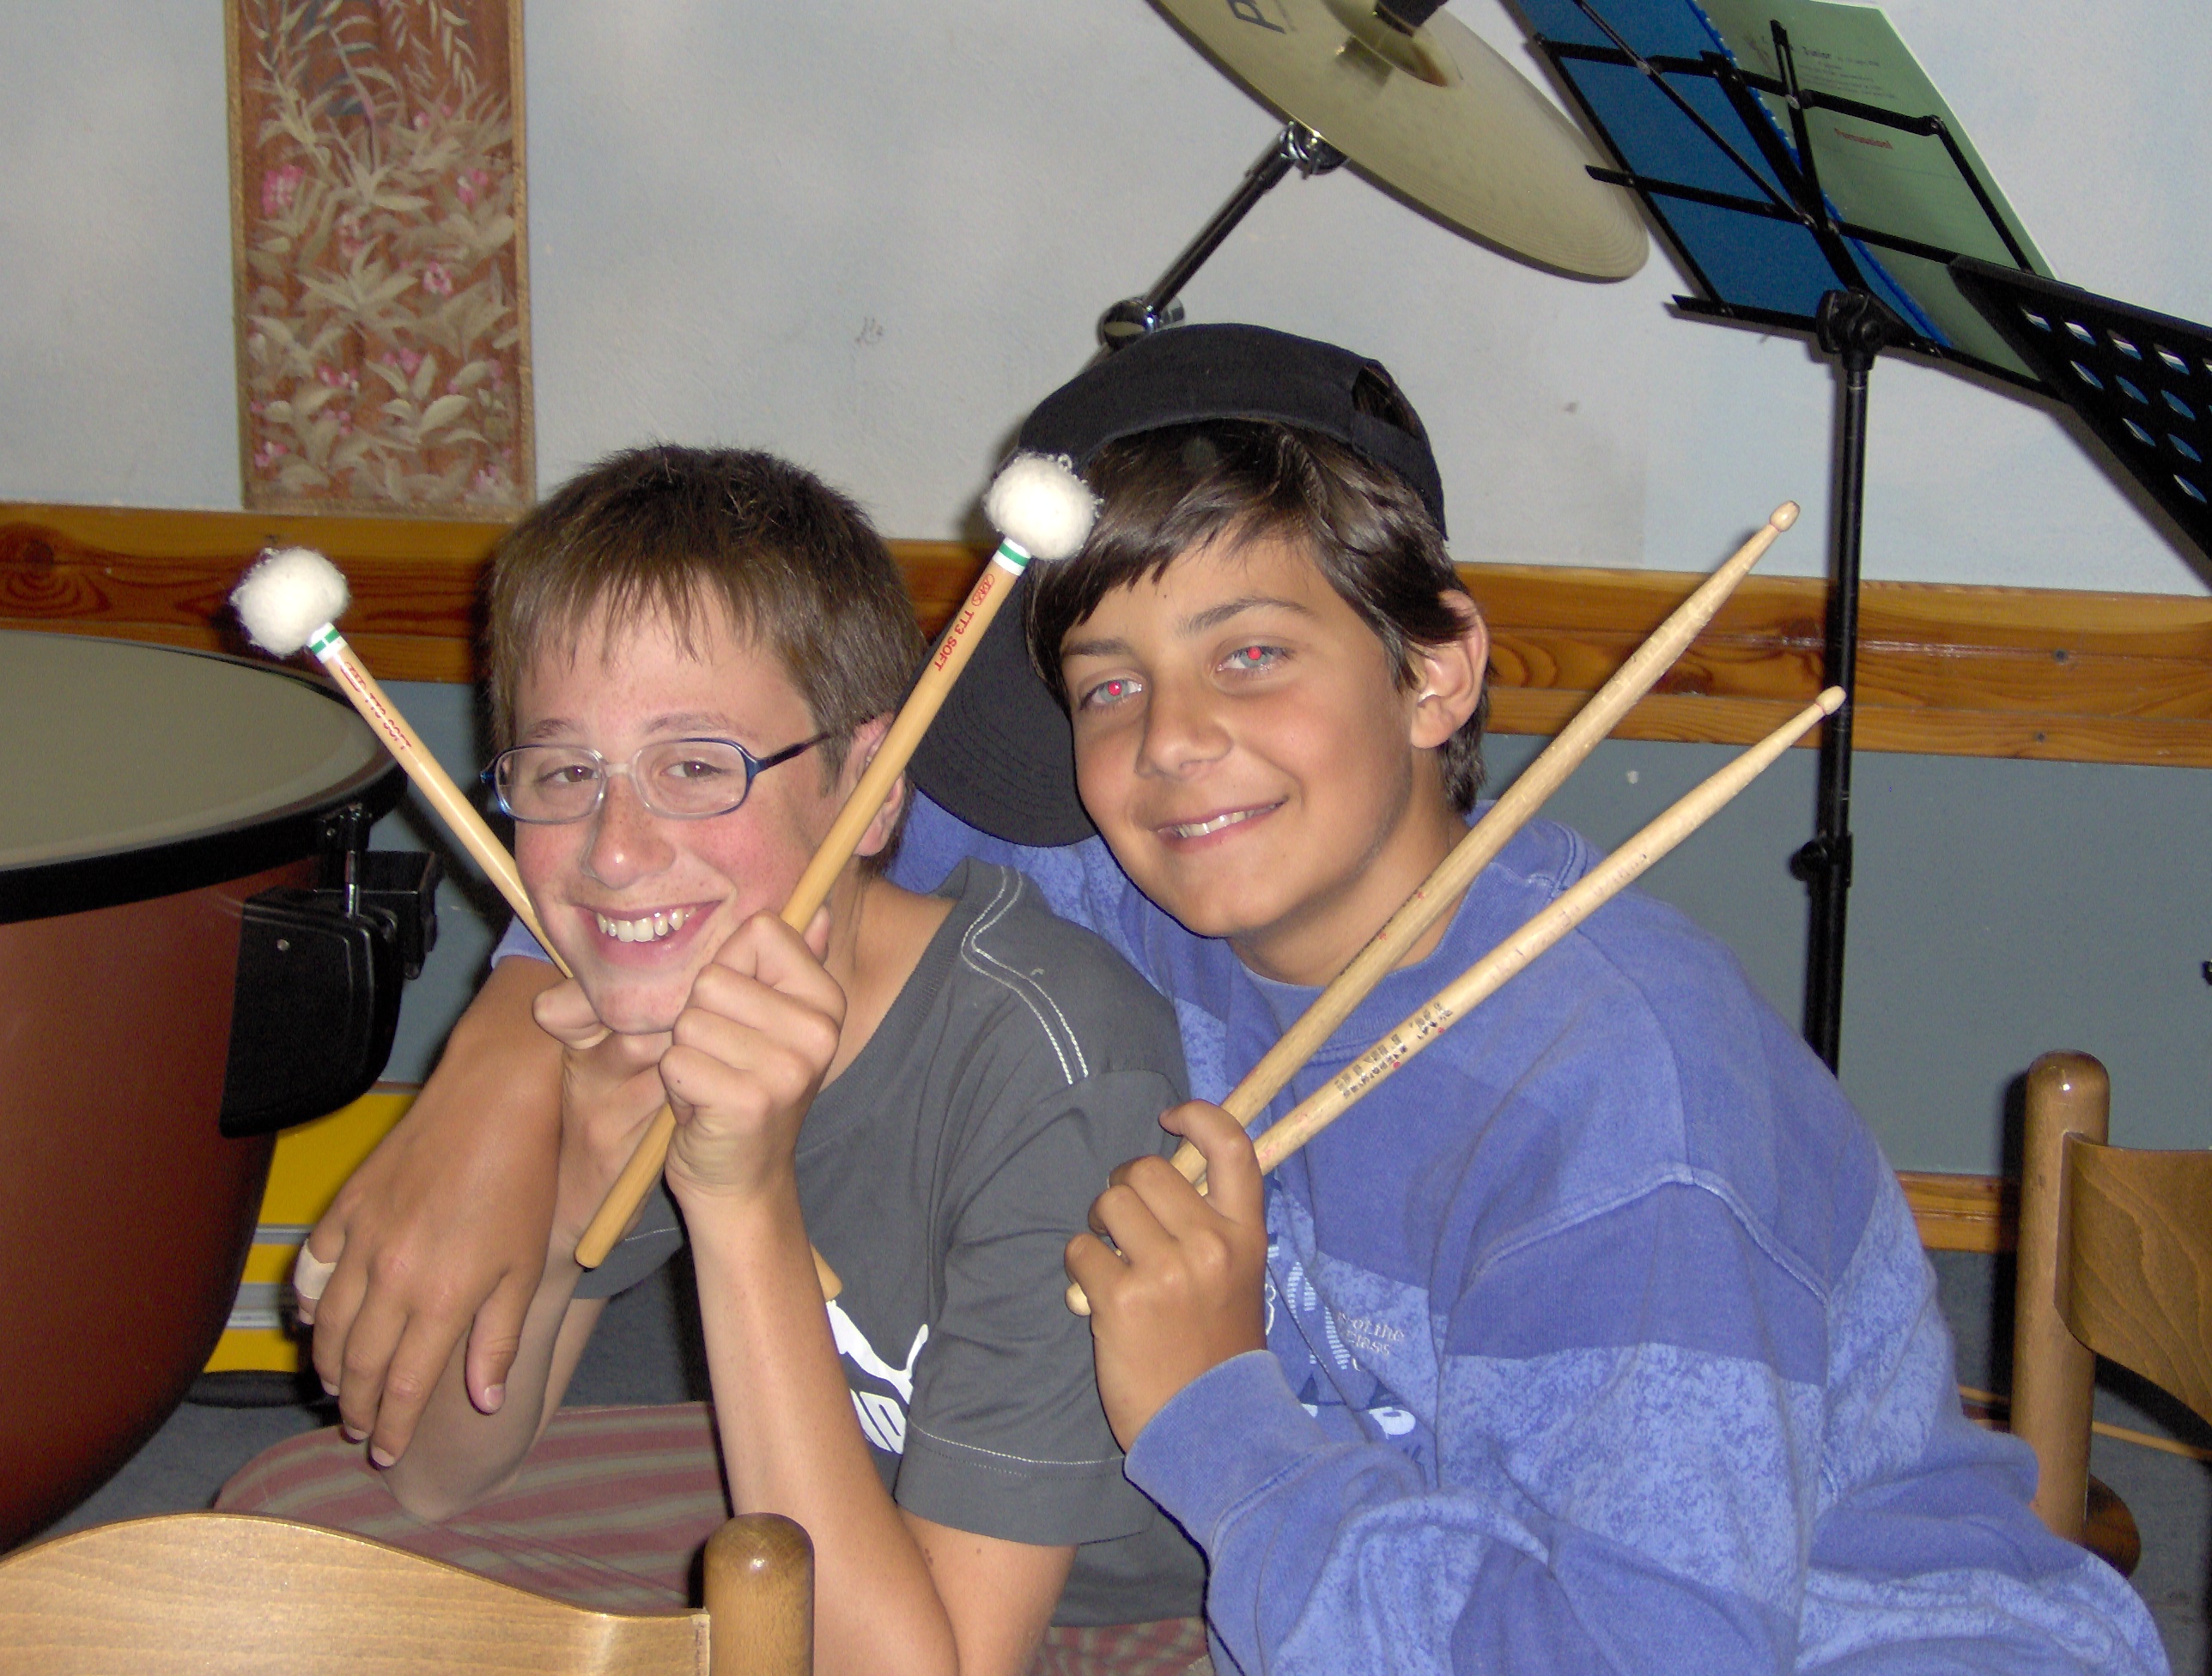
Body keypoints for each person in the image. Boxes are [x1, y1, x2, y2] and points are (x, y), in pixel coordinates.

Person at [290, 330, 2167, 1673]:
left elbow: (1648, 1650)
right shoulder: (1123, 864)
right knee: (321, 1567)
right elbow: (714, 849)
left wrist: (1210, 1409)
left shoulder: (1622, 1102)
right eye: (1105, 683)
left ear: (1435, 672)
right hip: (1324, 1587)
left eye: (1251, 654)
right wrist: (500, 1064)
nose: (1171, 742)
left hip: (1813, 1641)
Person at [218, 445, 1207, 1676]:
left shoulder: (1053, 1059)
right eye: (564, 773)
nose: (614, 852)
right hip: (833, 1485)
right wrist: (564, 1198)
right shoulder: (667, 1002)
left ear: (870, 786)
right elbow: (435, 1476)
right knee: (287, 1537)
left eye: (695, 767)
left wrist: (742, 1200)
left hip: (1095, 1615)